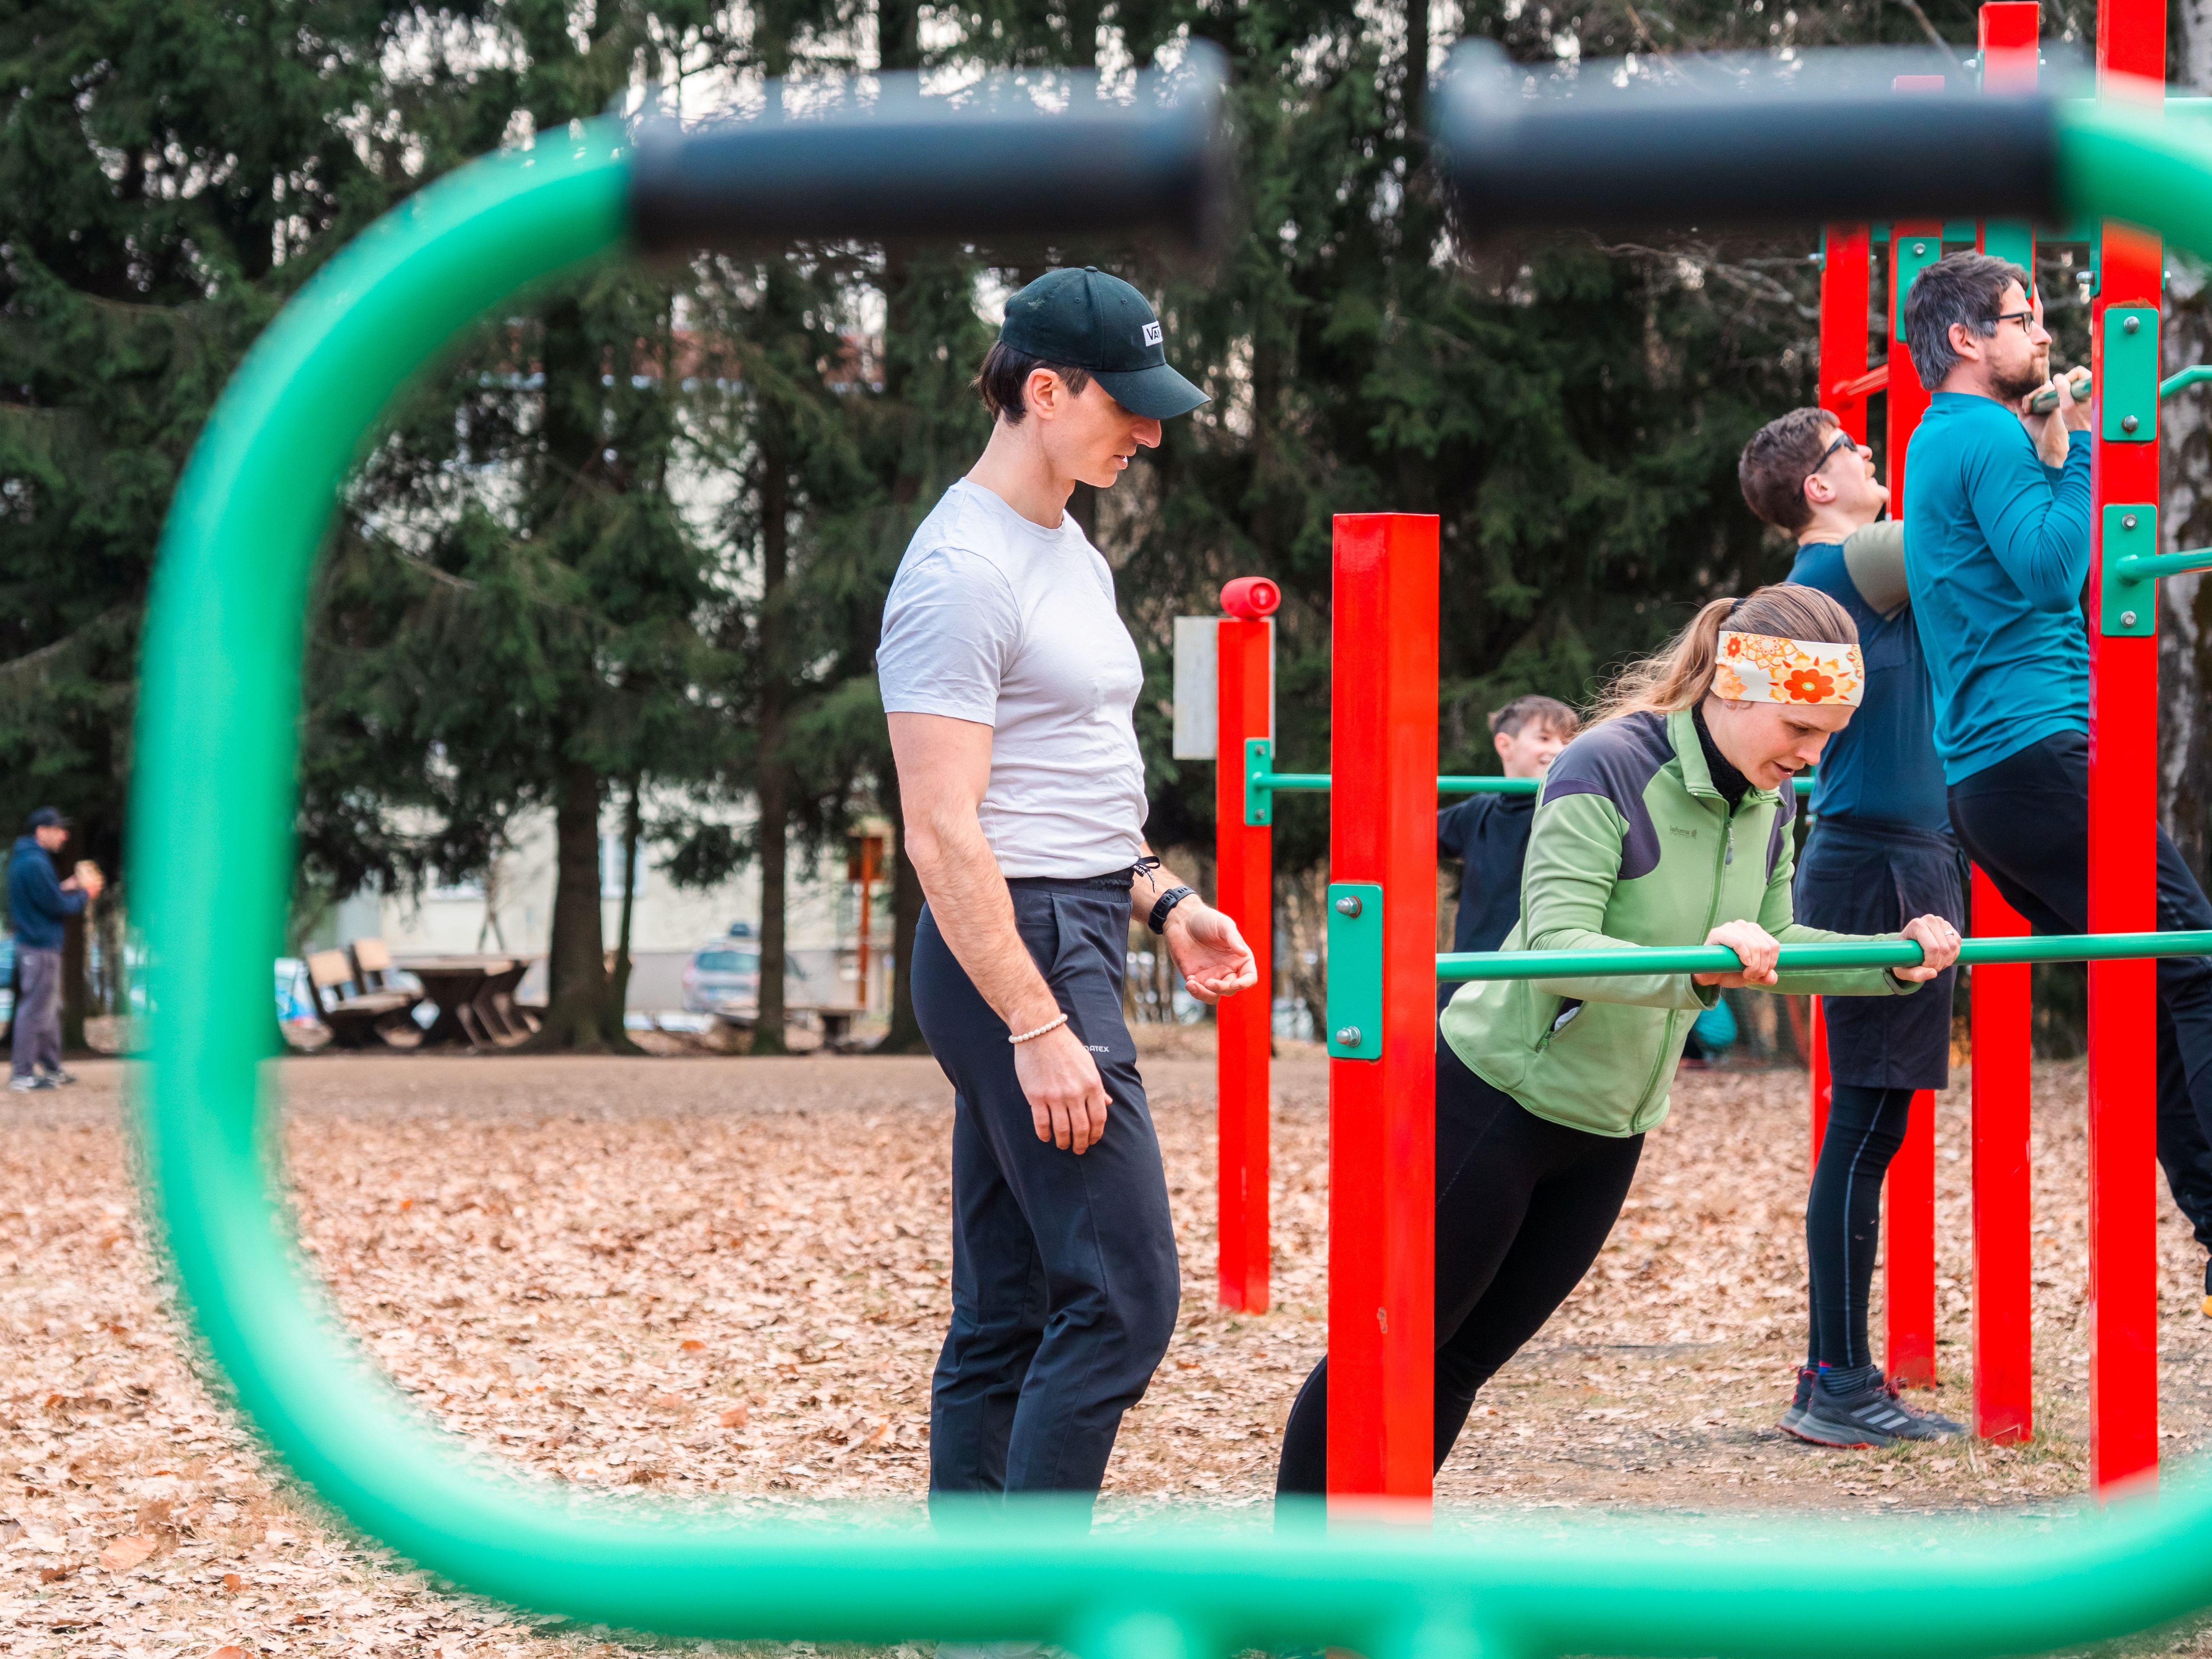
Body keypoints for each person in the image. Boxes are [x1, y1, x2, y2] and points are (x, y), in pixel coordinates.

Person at [1273, 585, 1963, 1500]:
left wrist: (1892, 959)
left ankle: (1364, 1574)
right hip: (1496, 1096)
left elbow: (1773, 944)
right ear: (1732, 687)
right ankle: (1292, 1584)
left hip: (1610, 1121)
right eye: (1800, 725)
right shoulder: (1606, 763)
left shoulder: (1767, 801)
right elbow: (1556, 942)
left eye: (1828, 733)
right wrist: (1699, 968)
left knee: (1463, 1359)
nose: (1811, 752)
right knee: (1390, 1344)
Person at [878, 268, 1259, 1508]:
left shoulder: (1064, 546)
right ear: (1044, 391)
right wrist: (1038, 1026)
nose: (1147, 434)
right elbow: (940, 831)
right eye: (1127, 408)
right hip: (1013, 946)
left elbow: (1073, 787)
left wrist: (1161, 897)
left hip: (1073, 917)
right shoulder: (958, 572)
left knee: (1015, 1303)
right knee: (1123, 1301)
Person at [1902, 252, 2212, 1312]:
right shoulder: (1981, 430)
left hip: (1987, 779)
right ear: (1961, 340)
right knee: (2192, 954)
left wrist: (2043, 444)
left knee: (2154, 975)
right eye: (2021, 318)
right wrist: (2071, 449)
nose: (2040, 334)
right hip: (2038, 754)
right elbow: (2046, 568)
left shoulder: (1939, 438)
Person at [1738, 407, 1968, 1446]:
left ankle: (1827, 1373)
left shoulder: (1829, 589)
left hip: (1879, 851)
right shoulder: (1837, 575)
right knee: (1863, 1132)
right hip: (1877, 858)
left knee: (1866, 1130)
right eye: (1849, 452)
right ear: (1814, 491)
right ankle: (1835, 1378)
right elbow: (1984, 525)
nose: (1869, 456)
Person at [1435, 695, 1578, 1011]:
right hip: (1472, 974)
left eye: (1568, 740)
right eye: (1544, 738)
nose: (1558, 749)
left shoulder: (1574, 810)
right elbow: (1410, 834)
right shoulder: (1478, 813)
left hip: (1537, 979)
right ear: (1505, 745)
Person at [8, 809, 100, 1093]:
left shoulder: (26, 859)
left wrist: (66, 887)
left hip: (36, 944)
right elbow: (56, 906)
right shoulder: (36, 862)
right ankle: (22, 1074)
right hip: (39, 947)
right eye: (58, 829)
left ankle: (52, 1068)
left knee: (47, 1010)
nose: (64, 835)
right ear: (41, 831)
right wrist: (85, 894)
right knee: (35, 1010)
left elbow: (44, 897)